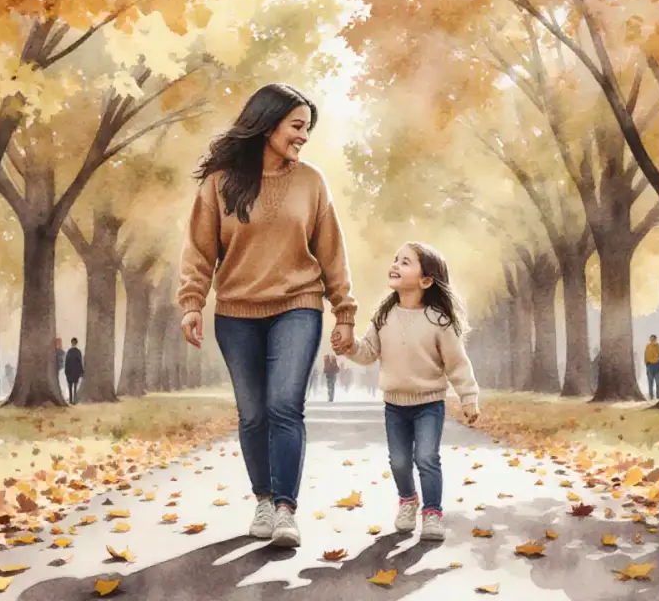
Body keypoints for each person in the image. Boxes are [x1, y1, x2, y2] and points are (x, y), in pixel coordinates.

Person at [178, 84, 357, 549]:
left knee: (283, 405)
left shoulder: (312, 182)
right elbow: (200, 249)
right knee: (253, 413)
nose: (303, 137)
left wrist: (344, 310)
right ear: (268, 123)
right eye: (297, 126)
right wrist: (193, 303)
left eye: (307, 128)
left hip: (298, 305)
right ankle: (262, 498)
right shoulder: (220, 183)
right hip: (236, 312)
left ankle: (284, 509)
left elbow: (331, 251)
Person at [337, 242, 479, 542]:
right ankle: (408, 500)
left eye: (405, 262)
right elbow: (368, 352)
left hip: (429, 403)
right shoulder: (384, 316)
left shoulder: (439, 321)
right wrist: (349, 348)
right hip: (395, 405)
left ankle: (432, 513)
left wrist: (468, 398)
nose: (396, 265)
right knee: (399, 460)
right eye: (395, 260)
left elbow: (457, 364)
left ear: (426, 281)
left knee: (427, 457)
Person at [644, 335, 659, 400]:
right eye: (651, 339)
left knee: (658, 382)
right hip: (650, 366)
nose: (652, 340)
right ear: (650, 340)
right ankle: (651, 396)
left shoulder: (658, 346)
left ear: (655, 339)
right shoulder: (647, 346)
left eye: (653, 339)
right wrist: (647, 364)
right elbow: (645, 356)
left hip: (657, 365)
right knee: (650, 382)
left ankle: (658, 396)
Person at [65, 338, 84, 404]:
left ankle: (70, 400)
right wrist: (81, 372)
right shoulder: (78, 352)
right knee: (75, 387)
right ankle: (74, 400)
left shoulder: (69, 351)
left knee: (70, 387)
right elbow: (80, 362)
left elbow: (66, 362)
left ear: (72, 343)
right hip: (76, 372)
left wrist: (66, 371)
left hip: (69, 372)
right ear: (76, 343)